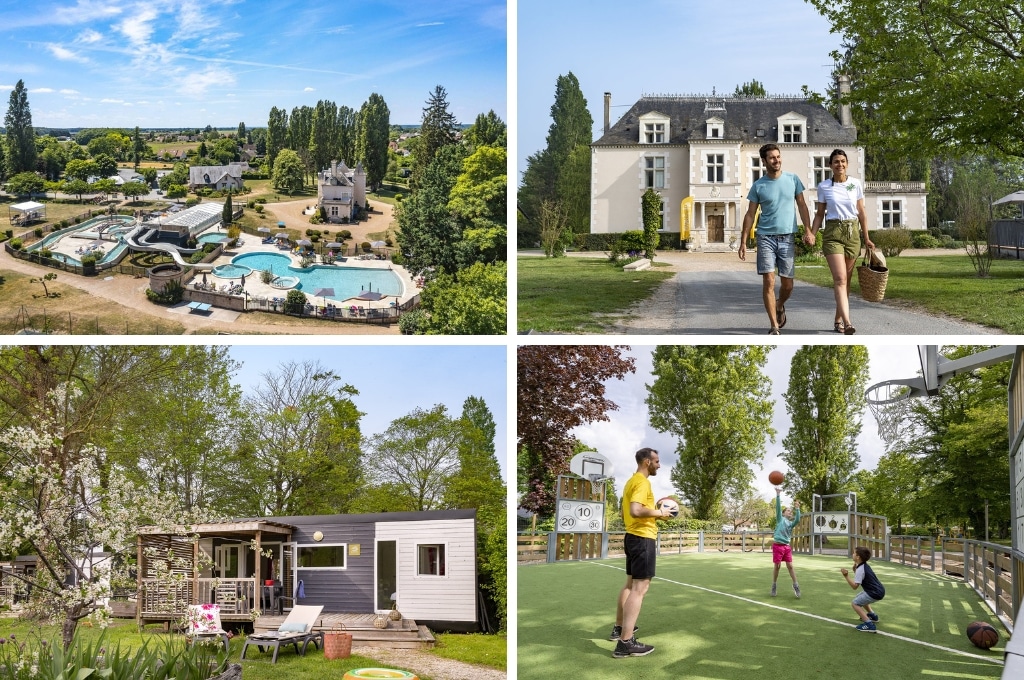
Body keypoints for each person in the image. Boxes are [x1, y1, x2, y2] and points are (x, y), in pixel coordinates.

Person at [739, 143, 813, 335]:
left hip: (787, 237)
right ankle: (774, 326)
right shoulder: (759, 185)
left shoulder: (793, 179)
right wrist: (743, 241)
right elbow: (750, 214)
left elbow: (802, 206)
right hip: (765, 238)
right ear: (764, 161)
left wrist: (808, 230)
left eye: (778, 156)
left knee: (787, 285)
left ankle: (779, 304)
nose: (776, 160)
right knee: (769, 282)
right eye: (772, 157)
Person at [610, 447, 671, 658]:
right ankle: (625, 643)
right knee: (639, 589)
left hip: (632, 537)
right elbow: (636, 510)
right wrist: (660, 512)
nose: (659, 465)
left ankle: (619, 629)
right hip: (642, 538)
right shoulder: (642, 482)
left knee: (630, 586)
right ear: (646, 461)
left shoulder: (630, 481)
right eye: (656, 461)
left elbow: (628, 511)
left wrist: (655, 514)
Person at [806, 149, 875, 335]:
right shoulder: (824, 187)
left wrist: (866, 238)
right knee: (840, 278)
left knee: (847, 281)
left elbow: (861, 212)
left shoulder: (854, 184)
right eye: (836, 162)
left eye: (843, 161)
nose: (840, 165)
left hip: (853, 234)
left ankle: (837, 320)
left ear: (847, 164)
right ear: (830, 165)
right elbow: (820, 214)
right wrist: (812, 233)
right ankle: (847, 322)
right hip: (833, 233)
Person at [841, 546, 886, 632]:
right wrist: (855, 570)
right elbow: (863, 577)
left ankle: (869, 624)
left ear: (858, 557)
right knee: (860, 597)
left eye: (854, 553)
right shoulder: (864, 566)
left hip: (874, 592)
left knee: (855, 603)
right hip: (879, 590)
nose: (852, 554)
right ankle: (872, 616)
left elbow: (855, 586)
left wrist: (846, 576)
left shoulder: (860, 569)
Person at [770, 489, 801, 598]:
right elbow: (778, 508)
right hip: (778, 546)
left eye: (790, 511)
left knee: (790, 566)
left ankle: (795, 585)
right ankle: (774, 585)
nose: (789, 511)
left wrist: (797, 509)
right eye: (788, 510)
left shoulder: (791, 523)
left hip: (786, 547)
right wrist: (778, 495)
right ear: (783, 513)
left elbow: (797, 519)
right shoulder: (780, 519)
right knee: (777, 566)